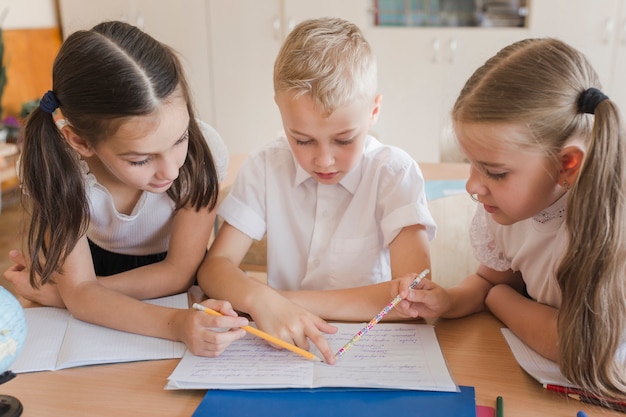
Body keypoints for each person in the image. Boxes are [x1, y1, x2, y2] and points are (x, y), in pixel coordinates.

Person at [393, 38, 626, 400]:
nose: (472, 185)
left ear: (567, 165)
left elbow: (573, 346)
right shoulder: (508, 210)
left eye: (495, 172)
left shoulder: (611, 228)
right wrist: (450, 300)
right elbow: (490, 278)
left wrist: (500, 298)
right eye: (471, 164)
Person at [3, 21, 249, 357]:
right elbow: (81, 291)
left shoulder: (200, 154)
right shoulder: (55, 168)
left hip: (178, 283)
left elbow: (178, 273)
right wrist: (80, 295)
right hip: (98, 270)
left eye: (180, 139)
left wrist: (72, 295)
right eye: (140, 160)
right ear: (80, 141)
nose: (171, 170)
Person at [198, 17, 435, 364]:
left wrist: (278, 299)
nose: (324, 160)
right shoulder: (265, 166)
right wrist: (264, 302)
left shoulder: (393, 173)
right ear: (280, 110)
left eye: (344, 139)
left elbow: (412, 299)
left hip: (372, 345)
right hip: (285, 343)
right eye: (302, 139)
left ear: (374, 111)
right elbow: (214, 267)